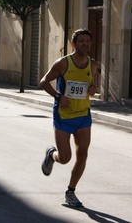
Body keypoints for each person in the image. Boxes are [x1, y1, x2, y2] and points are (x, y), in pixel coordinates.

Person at [40, 28, 97, 208]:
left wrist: (93, 89)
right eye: (81, 41)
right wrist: (59, 96)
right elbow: (44, 81)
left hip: (83, 115)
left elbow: (91, 85)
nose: (85, 44)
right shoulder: (63, 63)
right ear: (73, 44)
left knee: (83, 154)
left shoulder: (92, 64)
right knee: (65, 158)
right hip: (63, 116)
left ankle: (70, 192)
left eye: (88, 41)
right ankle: (52, 155)